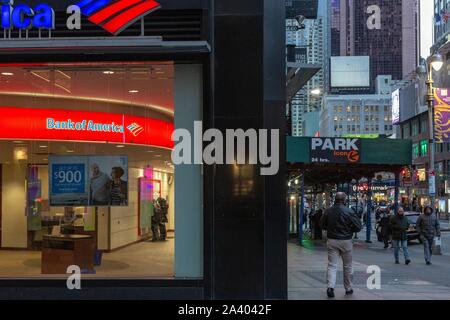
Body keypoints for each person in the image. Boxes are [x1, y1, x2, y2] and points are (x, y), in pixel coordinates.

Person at [321, 192, 362, 298]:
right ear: (344, 200)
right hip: (346, 241)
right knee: (347, 266)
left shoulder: (328, 211)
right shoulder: (349, 211)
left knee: (332, 265)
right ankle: (348, 288)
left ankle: (330, 287)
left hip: (332, 240)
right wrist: (349, 230)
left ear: (335, 199)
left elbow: (322, 225)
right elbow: (358, 226)